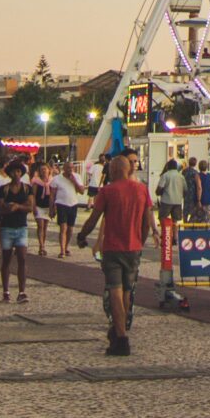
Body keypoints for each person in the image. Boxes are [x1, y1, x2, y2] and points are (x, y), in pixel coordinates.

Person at [80, 152, 155, 355]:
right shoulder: (141, 190)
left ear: (114, 170)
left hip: (113, 248)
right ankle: (120, 328)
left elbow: (94, 218)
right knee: (127, 291)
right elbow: (147, 220)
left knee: (114, 289)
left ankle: (121, 337)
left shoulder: (107, 191)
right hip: (133, 248)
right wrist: (141, 239)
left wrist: (82, 235)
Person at [0, 157, 32, 301]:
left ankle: (22, 291)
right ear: (9, 173)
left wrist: (18, 207)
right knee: (6, 259)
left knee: (22, 257)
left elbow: (30, 207)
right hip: (7, 228)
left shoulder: (26, 189)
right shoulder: (3, 189)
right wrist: (7, 209)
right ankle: (6, 291)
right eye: (13, 171)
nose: (16, 174)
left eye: (18, 171)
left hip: (21, 227)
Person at [153, 158, 188, 290]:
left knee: (163, 219)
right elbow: (185, 190)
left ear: (168, 166)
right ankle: (175, 238)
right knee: (175, 221)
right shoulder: (181, 176)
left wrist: (160, 193)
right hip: (178, 201)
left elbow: (159, 189)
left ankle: (164, 237)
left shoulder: (165, 175)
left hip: (167, 200)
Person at [49, 159, 81, 257]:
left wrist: (74, 181)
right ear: (64, 169)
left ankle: (66, 247)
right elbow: (52, 195)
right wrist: (51, 208)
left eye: (71, 168)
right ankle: (62, 250)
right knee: (63, 227)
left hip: (73, 204)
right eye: (68, 168)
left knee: (70, 228)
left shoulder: (77, 177)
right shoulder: (57, 179)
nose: (70, 170)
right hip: (61, 204)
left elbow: (82, 191)